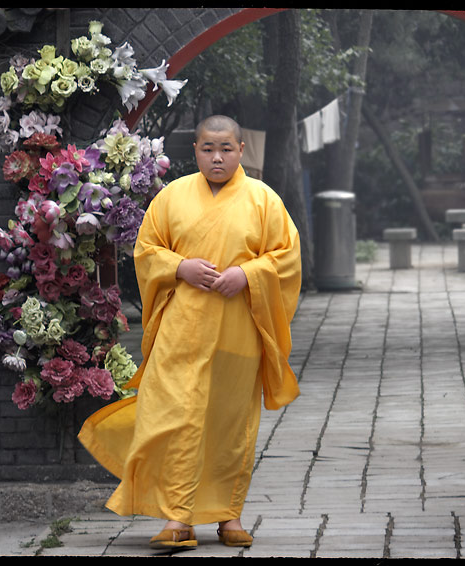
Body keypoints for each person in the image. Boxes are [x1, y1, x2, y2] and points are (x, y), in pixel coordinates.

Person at [78, 115, 302, 550]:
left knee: (229, 425)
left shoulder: (264, 200)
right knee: (173, 420)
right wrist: (180, 266)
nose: (216, 157)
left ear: (241, 151)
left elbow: (287, 259)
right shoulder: (171, 197)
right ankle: (177, 519)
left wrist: (248, 273)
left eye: (226, 149)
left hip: (237, 332)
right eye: (207, 149)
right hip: (180, 331)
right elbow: (146, 252)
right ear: (195, 150)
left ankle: (228, 515)